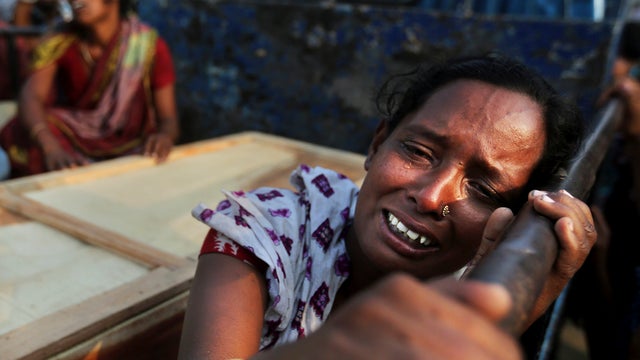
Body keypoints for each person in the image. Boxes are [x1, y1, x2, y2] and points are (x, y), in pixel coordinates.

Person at [177, 53, 597, 359]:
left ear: (504, 222)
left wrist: (534, 294)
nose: (432, 197)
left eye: (483, 191)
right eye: (418, 151)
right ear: (378, 144)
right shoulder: (266, 235)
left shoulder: (478, 283)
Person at [0, 0, 179, 178]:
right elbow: (31, 97)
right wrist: (50, 147)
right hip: (74, 138)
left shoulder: (148, 46)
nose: (76, 1)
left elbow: (168, 118)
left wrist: (164, 137)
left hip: (130, 144)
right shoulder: (62, 39)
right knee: (21, 130)